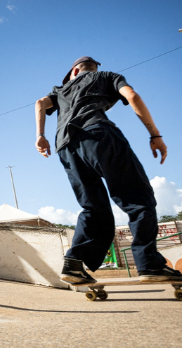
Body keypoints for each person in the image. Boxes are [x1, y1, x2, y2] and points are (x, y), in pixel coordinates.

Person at [35, 56, 182, 284]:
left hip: (65, 146)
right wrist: (155, 135)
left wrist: (40, 136)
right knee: (138, 199)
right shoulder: (108, 77)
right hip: (99, 135)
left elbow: (40, 104)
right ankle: (149, 264)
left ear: (74, 72)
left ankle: (73, 264)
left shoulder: (60, 89)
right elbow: (132, 96)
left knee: (92, 206)